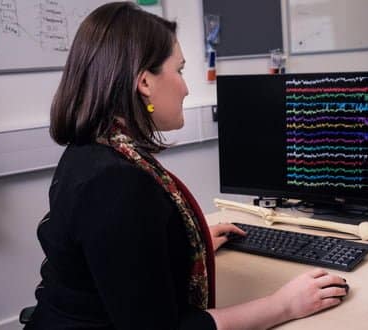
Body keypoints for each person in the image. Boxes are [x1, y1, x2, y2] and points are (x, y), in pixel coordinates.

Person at [26, 2, 349, 329]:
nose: (186, 88)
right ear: (145, 83)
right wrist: (283, 305)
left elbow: (113, 255)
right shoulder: (115, 181)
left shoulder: (91, 151)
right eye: (179, 70)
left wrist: (182, 242)